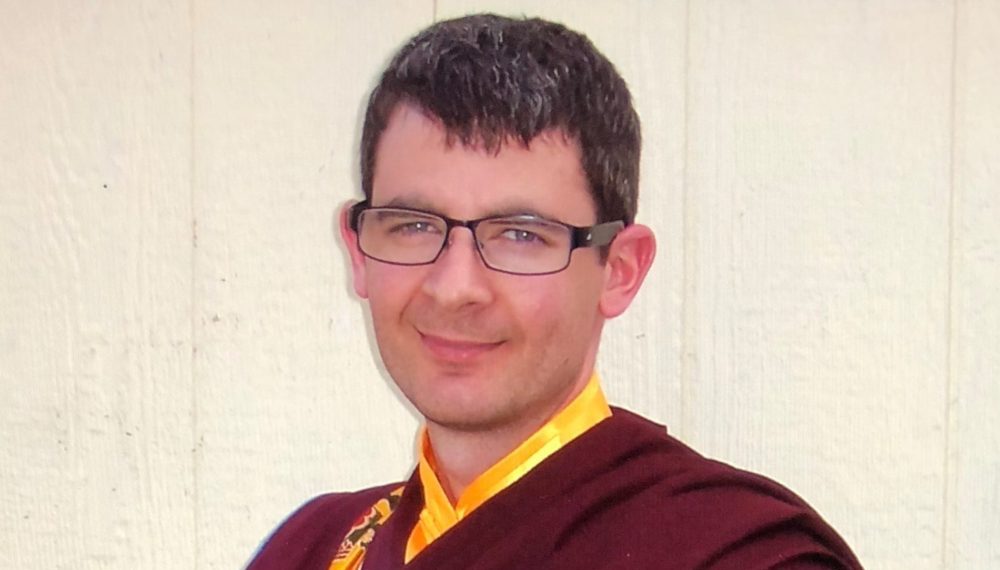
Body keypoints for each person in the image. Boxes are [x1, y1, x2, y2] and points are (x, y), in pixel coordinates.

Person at [248, 13, 861, 570]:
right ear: (358, 251)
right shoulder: (312, 550)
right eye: (413, 226)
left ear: (620, 269)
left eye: (519, 234)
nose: (455, 287)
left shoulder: (729, 555)